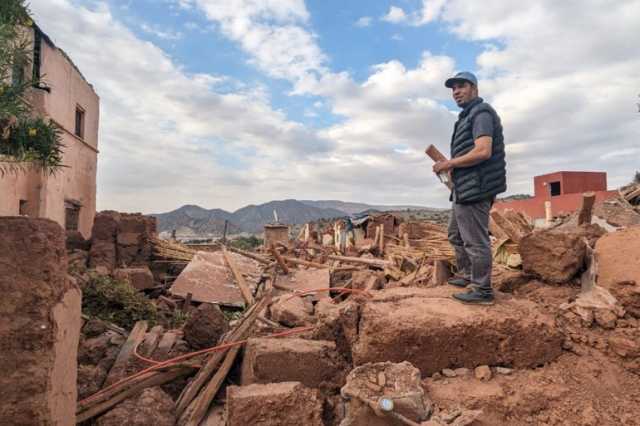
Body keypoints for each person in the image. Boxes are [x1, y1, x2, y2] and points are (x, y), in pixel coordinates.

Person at [433, 71, 506, 305]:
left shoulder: (481, 113)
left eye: (461, 86)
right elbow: (469, 154)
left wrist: (449, 163)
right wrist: (451, 170)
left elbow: (483, 151)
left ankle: (482, 289)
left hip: (477, 187)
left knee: (475, 240)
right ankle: (467, 275)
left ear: (474, 88)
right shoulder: (466, 117)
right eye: (453, 89)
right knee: (455, 234)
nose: (456, 92)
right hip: (465, 187)